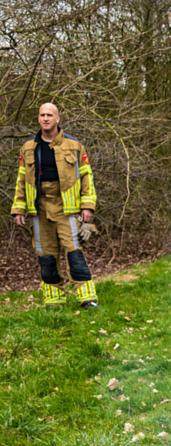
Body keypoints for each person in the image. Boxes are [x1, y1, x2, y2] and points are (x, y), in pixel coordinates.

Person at [11, 103, 99, 308]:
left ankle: (86, 298)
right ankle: (54, 299)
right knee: (46, 255)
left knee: (74, 252)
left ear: (58, 118)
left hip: (67, 210)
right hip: (39, 209)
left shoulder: (75, 146)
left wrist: (87, 206)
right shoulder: (28, 148)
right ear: (38, 118)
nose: (45, 118)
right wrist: (18, 208)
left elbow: (87, 177)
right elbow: (21, 181)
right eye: (42, 114)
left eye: (49, 115)